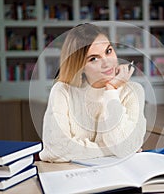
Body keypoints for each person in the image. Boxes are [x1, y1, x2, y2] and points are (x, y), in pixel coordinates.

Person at [39, 23, 146, 163]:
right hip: (72, 177)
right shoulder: (62, 91)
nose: (107, 63)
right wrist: (110, 149)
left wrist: (111, 91)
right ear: (80, 66)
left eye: (108, 51)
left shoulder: (133, 91)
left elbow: (125, 148)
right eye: (94, 59)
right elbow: (55, 150)